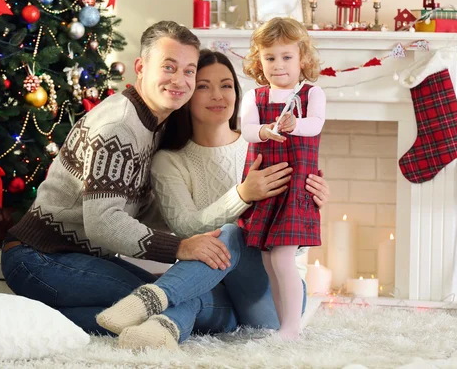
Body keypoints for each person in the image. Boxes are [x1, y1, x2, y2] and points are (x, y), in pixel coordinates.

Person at [2, 21, 234, 337]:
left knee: (170, 299)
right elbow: (103, 222)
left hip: (76, 258)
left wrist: (223, 212)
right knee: (157, 302)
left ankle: (40, 322)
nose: (180, 80)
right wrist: (181, 247)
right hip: (41, 258)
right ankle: (35, 325)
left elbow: (150, 212)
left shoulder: (155, 124)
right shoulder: (119, 127)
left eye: (189, 71)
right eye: (169, 67)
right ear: (140, 67)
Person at [96, 48, 330, 349]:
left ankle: (150, 298)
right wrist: (243, 194)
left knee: (233, 232)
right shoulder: (170, 161)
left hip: (272, 300)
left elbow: (289, 248)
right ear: (188, 94)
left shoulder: (265, 143)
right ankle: (159, 330)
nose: (217, 95)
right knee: (195, 296)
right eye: (204, 86)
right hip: (213, 290)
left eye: (226, 85)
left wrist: (312, 202)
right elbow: (186, 229)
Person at [238, 17, 326, 340]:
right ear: (259, 60)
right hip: (264, 188)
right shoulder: (255, 98)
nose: (278, 65)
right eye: (270, 57)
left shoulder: (312, 94)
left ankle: (292, 327)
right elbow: (246, 130)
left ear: (301, 58)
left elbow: (315, 124)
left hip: (294, 188)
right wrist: (264, 130)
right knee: (267, 257)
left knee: (282, 255)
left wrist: (293, 125)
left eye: (286, 57)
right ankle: (284, 322)